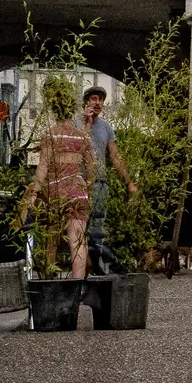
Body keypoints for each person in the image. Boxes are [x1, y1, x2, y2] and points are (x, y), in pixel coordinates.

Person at [20, 77, 95, 279]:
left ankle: (48, 283)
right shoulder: (83, 137)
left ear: (53, 109)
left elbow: (42, 169)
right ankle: (78, 287)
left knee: (49, 241)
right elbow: (91, 170)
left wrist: (32, 196)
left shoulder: (49, 135)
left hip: (55, 193)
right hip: (78, 191)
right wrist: (88, 188)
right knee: (78, 241)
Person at [81, 87, 138, 253]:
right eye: (94, 98)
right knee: (78, 227)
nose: (97, 103)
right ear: (86, 102)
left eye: (101, 99)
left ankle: (96, 267)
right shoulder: (76, 123)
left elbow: (115, 156)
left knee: (97, 229)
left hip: (100, 184)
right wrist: (87, 123)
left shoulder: (106, 128)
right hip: (79, 183)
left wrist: (129, 182)